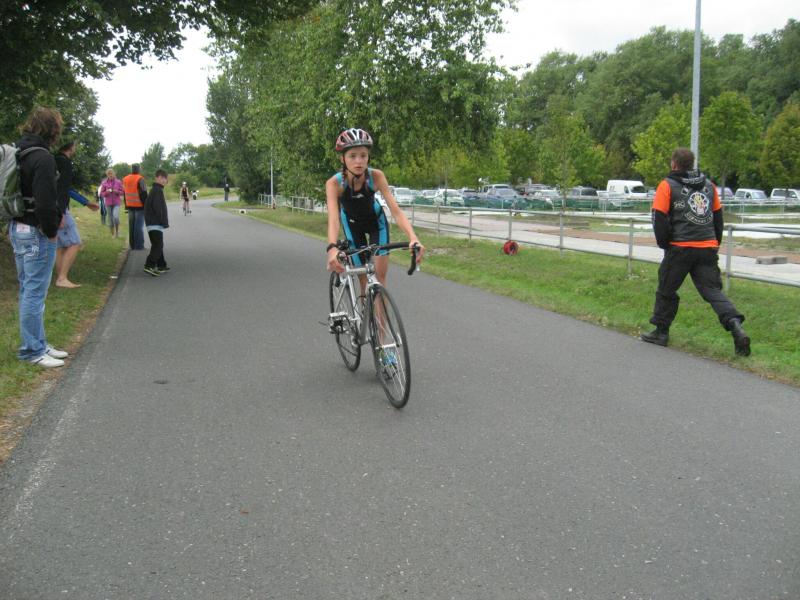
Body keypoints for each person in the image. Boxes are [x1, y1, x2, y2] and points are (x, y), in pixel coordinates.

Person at [641, 147, 750, 356]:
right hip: (707, 247)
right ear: (691, 165)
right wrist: (714, 243)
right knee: (712, 291)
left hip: (680, 247)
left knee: (666, 289)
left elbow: (659, 218)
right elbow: (718, 218)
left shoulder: (667, 185)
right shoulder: (709, 186)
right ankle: (735, 325)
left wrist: (665, 244)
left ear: (674, 164)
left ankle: (661, 332)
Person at [8, 107, 69, 367]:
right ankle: (32, 350)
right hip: (36, 231)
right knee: (34, 291)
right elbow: (45, 202)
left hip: (18, 227)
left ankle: (38, 342)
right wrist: (52, 231)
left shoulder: (19, 152)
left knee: (28, 288)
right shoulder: (42, 157)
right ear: (52, 129)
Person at [325, 128, 424, 285]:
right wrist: (332, 247)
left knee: (379, 278)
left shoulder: (376, 176)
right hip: (352, 224)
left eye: (363, 155)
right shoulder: (334, 183)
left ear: (368, 157)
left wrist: (413, 237)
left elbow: (396, 212)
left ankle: (378, 301)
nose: (359, 161)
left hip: (376, 224)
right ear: (342, 159)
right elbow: (333, 219)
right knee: (363, 279)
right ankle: (362, 300)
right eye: (352, 156)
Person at [53, 140, 100, 288]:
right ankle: (62, 278)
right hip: (60, 209)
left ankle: (60, 278)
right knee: (75, 243)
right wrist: (62, 212)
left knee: (60, 245)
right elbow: (64, 188)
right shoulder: (65, 162)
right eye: (75, 146)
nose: (75, 148)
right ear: (70, 147)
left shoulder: (52, 160)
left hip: (50, 207)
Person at [143, 169, 170, 276]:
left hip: (153, 223)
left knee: (158, 244)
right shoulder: (157, 190)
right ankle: (149, 265)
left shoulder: (156, 190)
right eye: (162, 178)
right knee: (158, 245)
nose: (164, 180)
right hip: (154, 223)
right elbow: (158, 208)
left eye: (165, 178)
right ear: (157, 178)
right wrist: (163, 221)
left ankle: (161, 265)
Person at [122, 164, 147, 250]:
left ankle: (132, 245)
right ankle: (139, 246)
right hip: (139, 206)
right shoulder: (140, 179)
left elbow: (125, 193)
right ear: (139, 169)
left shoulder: (125, 179)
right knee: (138, 226)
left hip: (130, 205)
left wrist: (126, 205)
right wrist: (146, 206)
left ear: (132, 169)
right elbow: (144, 193)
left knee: (131, 226)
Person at [99, 168, 124, 238]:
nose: (110, 175)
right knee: (110, 219)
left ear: (114, 174)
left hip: (116, 203)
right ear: (107, 175)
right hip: (108, 203)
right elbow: (101, 194)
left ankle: (117, 232)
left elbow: (122, 192)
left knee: (115, 216)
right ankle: (112, 234)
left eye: (111, 173)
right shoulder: (104, 182)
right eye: (109, 174)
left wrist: (117, 191)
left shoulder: (118, 182)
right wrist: (107, 192)